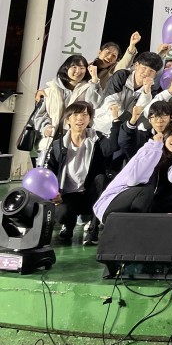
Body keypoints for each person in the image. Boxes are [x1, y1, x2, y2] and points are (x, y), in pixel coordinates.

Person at [93, 121, 172, 222]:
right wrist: (156, 146)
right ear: (164, 136)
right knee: (146, 191)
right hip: (111, 204)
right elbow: (134, 180)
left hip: (138, 210)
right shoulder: (149, 149)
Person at [44, 101, 111, 245]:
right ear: (67, 120)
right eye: (75, 115)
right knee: (60, 215)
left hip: (90, 193)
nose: (80, 118)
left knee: (101, 179)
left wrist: (116, 120)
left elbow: (111, 149)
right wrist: (53, 192)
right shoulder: (58, 144)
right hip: (68, 194)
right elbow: (49, 171)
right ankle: (68, 225)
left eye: (84, 114)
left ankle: (93, 230)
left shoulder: (98, 139)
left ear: (89, 119)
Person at [34, 55, 95, 160]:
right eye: (74, 67)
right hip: (51, 141)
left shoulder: (89, 90)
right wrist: (46, 127)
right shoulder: (50, 90)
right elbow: (40, 114)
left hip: (76, 142)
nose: (78, 71)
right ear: (66, 68)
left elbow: (94, 109)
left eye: (82, 68)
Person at [94, 50, 163, 135]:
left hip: (124, 129)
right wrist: (130, 117)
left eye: (151, 71)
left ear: (155, 74)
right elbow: (110, 102)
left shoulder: (150, 89)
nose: (146, 73)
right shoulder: (122, 75)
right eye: (144, 68)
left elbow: (140, 110)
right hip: (102, 124)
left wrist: (146, 91)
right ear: (136, 65)